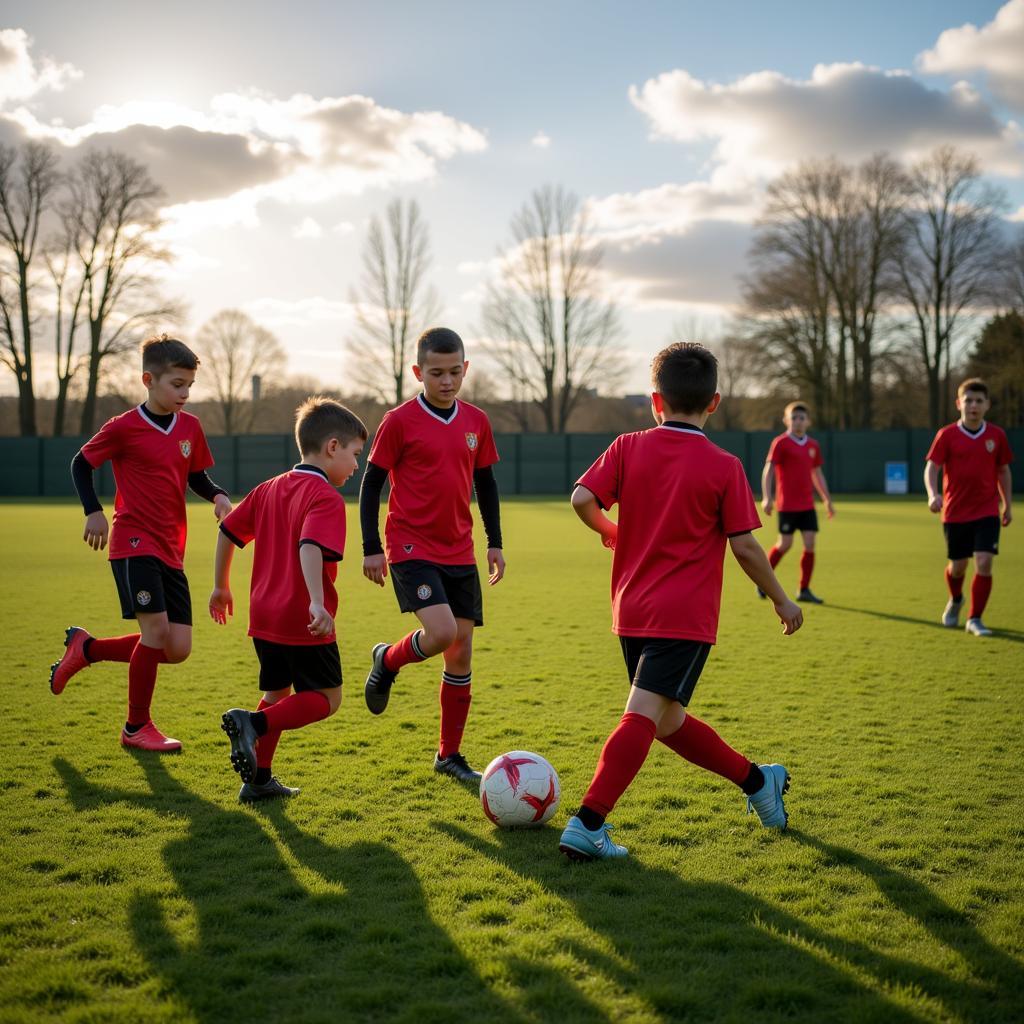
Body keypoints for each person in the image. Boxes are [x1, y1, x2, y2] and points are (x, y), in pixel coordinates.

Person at [558, 343, 803, 862]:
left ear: (655, 400)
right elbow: (744, 545)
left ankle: (759, 782)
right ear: (713, 402)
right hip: (684, 618)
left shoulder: (627, 447)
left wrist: (610, 530)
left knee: (664, 720)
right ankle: (588, 823)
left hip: (630, 611)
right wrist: (781, 599)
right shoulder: (724, 464)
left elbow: (582, 498)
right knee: (649, 715)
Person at [49, 335, 230, 752]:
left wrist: (218, 495)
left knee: (177, 647)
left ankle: (87, 648)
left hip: (172, 547)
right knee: (155, 631)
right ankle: (136, 727)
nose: (185, 394)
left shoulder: (191, 427)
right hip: (133, 541)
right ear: (148, 379)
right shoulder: (123, 427)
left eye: (189, 385)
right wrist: (92, 510)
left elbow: (197, 476)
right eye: (177, 384)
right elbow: (81, 462)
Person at [360, 327, 504, 784]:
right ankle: (388, 660)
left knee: (460, 653)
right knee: (441, 633)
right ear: (418, 372)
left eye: (455, 371)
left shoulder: (476, 421)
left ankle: (449, 755)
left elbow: (487, 485)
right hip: (410, 546)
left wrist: (494, 540)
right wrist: (370, 548)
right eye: (437, 373)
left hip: (459, 548)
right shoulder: (399, 420)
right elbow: (370, 485)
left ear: (466, 368)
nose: (447, 381)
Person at [211, 397, 367, 803]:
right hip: (301, 617)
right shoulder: (326, 497)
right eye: (354, 454)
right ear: (332, 447)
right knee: (326, 699)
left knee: (278, 693)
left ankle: (259, 779)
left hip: (264, 616)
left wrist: (221, 586)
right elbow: (310, 546)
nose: (356, 466)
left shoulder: (268, 488)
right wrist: (317, 602)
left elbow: (227, 531)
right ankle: (252, 725)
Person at [925, 378, 1013, 637]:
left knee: (984, 562)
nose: (973, 405)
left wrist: (1007, 504)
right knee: (958, 566)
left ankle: (975, 618)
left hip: (987, 510)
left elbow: (1003, 470)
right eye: (969, 400)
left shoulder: (996, 435)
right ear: (959, 404)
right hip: (954, 512)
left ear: (987, 405)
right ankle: (956, 600)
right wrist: (933, 494)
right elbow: (932, 467)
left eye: (979, 401)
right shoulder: (947, 435)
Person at [760, 401, 834, 604]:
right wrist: (767, 497)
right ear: (786, 421)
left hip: (807, 505)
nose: (798, 421)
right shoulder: (781, 443)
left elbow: (817, 474)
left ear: (808, 421)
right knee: (784, 544)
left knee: (810, 544)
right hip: (787, 505)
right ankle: (762, 580)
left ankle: (804, 589)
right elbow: (769, 470)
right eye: (794, 418)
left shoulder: (813, 446)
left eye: (802, 418)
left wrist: (827, 499)